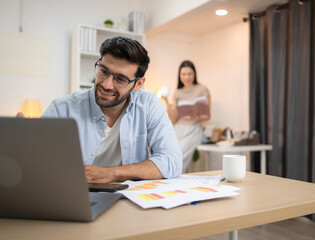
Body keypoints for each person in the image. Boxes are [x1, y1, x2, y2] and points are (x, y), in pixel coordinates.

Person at [40, 36, 182, 183]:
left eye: (120, 79)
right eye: (103, 71)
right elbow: (37, 163)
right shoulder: (62, 109)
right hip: (75, 195)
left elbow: (172, 161)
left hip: (130, 198)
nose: (107, 85)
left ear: (138, 84)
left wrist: (112, 173)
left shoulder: (149, 104)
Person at [163, 60, 211, 172]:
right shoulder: (178, 92)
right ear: (179, 76)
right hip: (178, 129)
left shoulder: (202, 89)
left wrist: (197, 117)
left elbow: (207, 116)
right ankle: (168, 182)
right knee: (169, 155)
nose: (186, 77)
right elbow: (174, 118)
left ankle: (173, 181)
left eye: (189, 74)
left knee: (179, 157)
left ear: (194, 74)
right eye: (183, 74)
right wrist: (166, 101)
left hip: (193, 129)